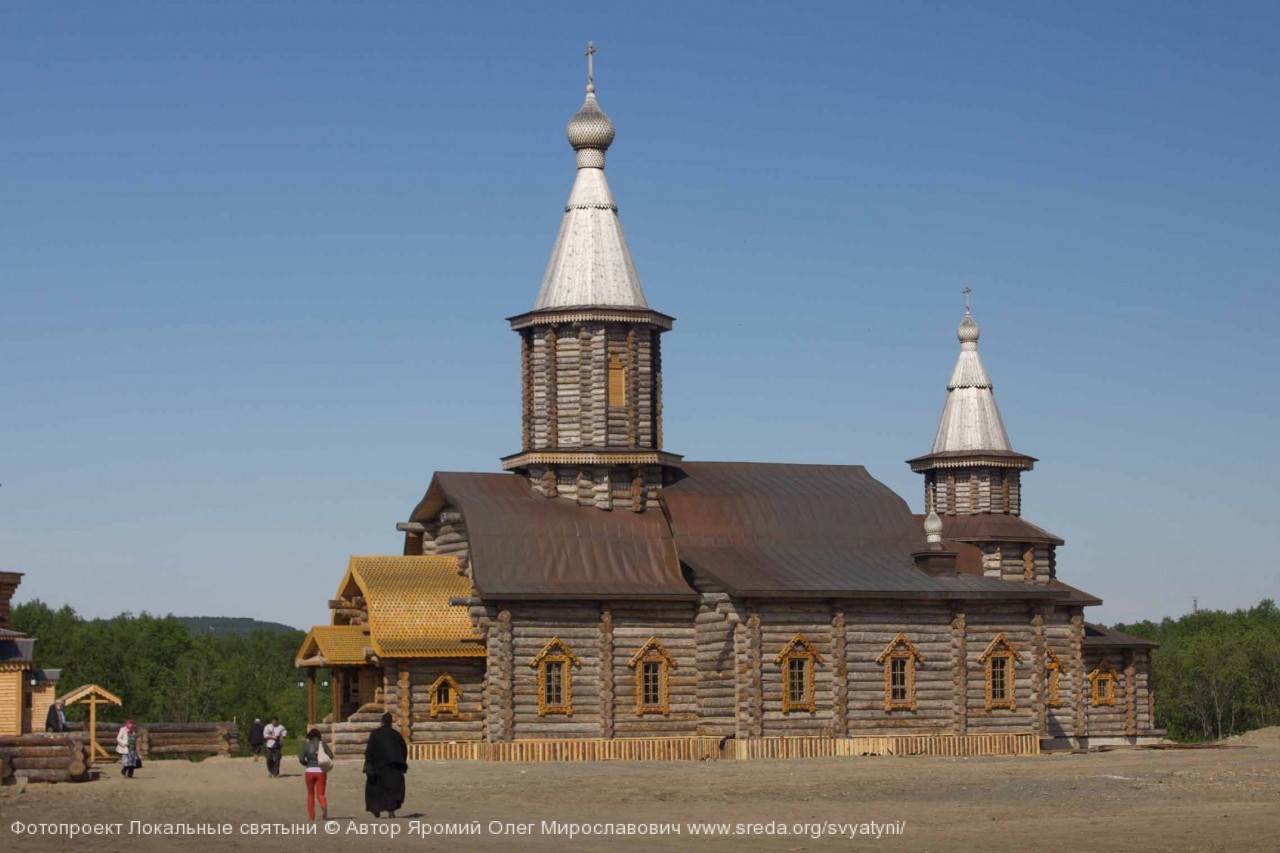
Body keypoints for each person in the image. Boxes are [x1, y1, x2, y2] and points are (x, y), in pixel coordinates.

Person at [363, 713, 408, 818]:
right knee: (393, 789)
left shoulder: (375, 734)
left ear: (382, 722)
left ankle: (375, 809)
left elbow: (369, 750)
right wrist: (401, 762)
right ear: (391, 723)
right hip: (394, 766)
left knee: (375, 789)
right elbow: (403, 749)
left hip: (378, 766)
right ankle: (391, 810)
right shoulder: (396, 735)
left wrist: (368, 762)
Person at [298, 728, 333, 821]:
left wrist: (307, 764)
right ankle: (323, 804)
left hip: (309, 771)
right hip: (321, 771)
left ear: (309, 737)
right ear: (319, 736)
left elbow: (301, 759)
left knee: (310, 794)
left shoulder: (306, 745)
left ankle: (311, 817)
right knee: (320, 794)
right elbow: (331, 756)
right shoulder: (323, 744)